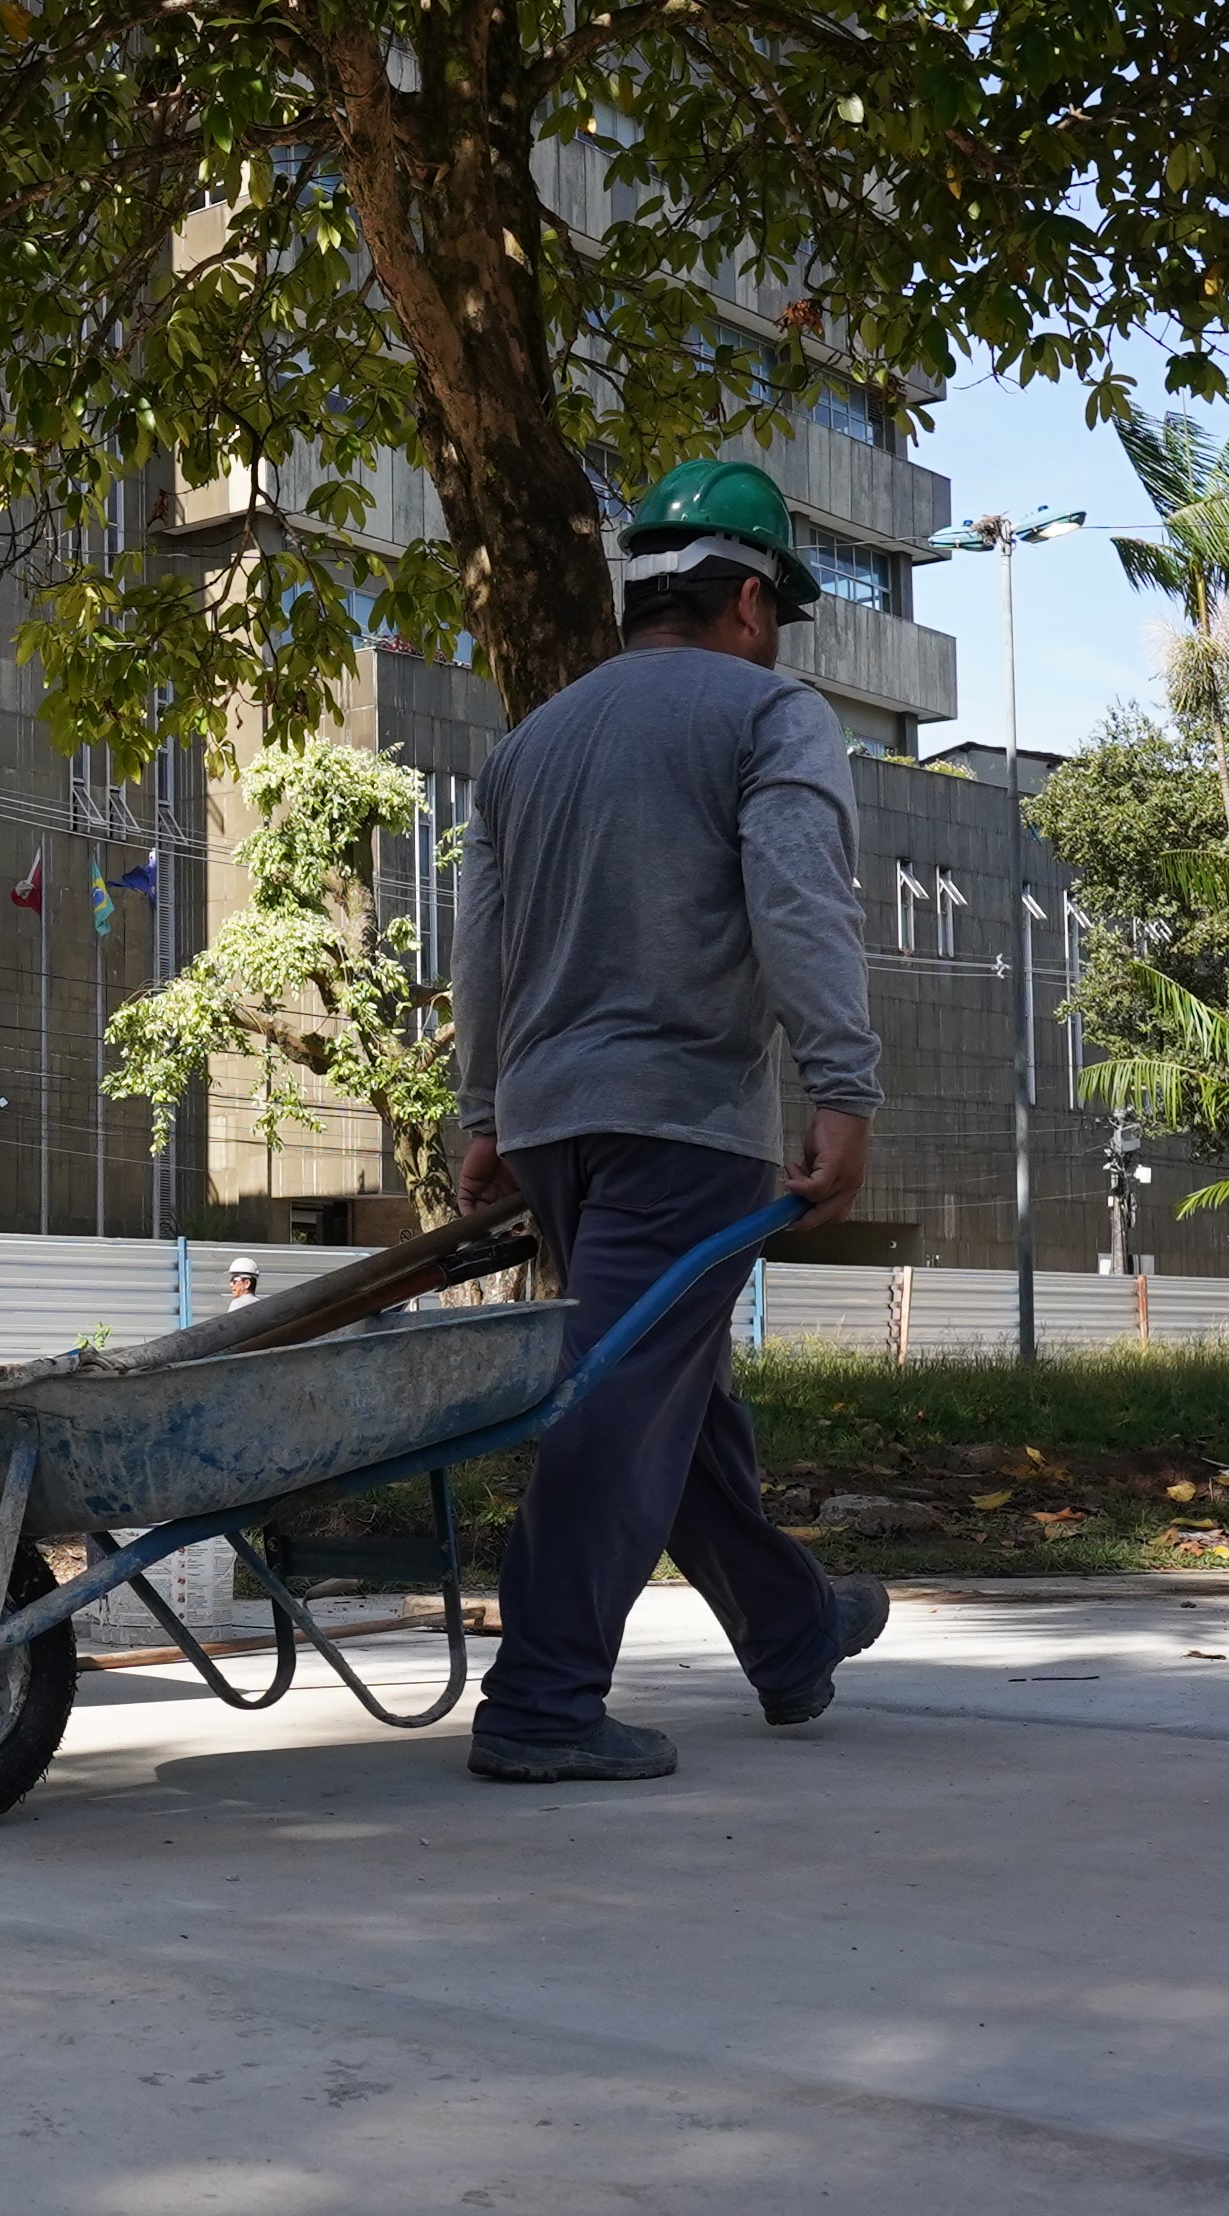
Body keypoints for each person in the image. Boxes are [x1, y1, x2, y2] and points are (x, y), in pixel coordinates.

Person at [446, 457, 892, 1785]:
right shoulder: (770, 716)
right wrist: (844, 1090)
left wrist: (483, 1111)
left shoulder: (528, 745)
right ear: (748, 601)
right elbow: (802, 906)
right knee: (624, 1390)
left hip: (549, 1124)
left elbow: (481, 945)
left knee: (669, 1384)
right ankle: (541, 1702)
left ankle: (790, 1625)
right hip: (683, 1116)